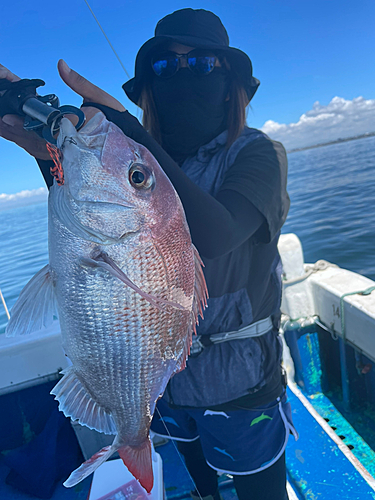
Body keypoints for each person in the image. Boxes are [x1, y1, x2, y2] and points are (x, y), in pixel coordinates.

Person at [0, 8, 297, 500]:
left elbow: (216, 234)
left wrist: (132, 141)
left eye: (203, 63)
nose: (182, 75)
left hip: (242, 383)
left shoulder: (258, 154)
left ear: (231, 86)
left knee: (259, 485)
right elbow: (89, 221)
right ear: (149, 88)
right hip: (161, 383)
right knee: (200, 476)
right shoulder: (132, 160)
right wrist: (55, 153)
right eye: (164, 66)